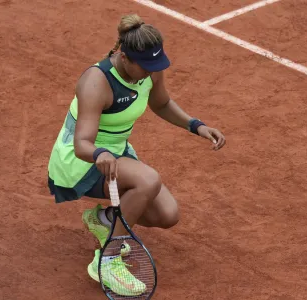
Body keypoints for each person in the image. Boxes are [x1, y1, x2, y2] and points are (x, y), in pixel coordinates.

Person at [47, 14, 226, 296]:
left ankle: (104, 220)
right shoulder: (97, 82)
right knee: (148, 180)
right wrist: (100, 154)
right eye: (145, 66)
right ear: (123, 57)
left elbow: (162, 103)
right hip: (81, 160)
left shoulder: (149, 68)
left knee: (167, 214)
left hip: (117, 153)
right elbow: (81, 143)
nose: (150, 72)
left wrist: (196, 125)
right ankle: (107, 260)